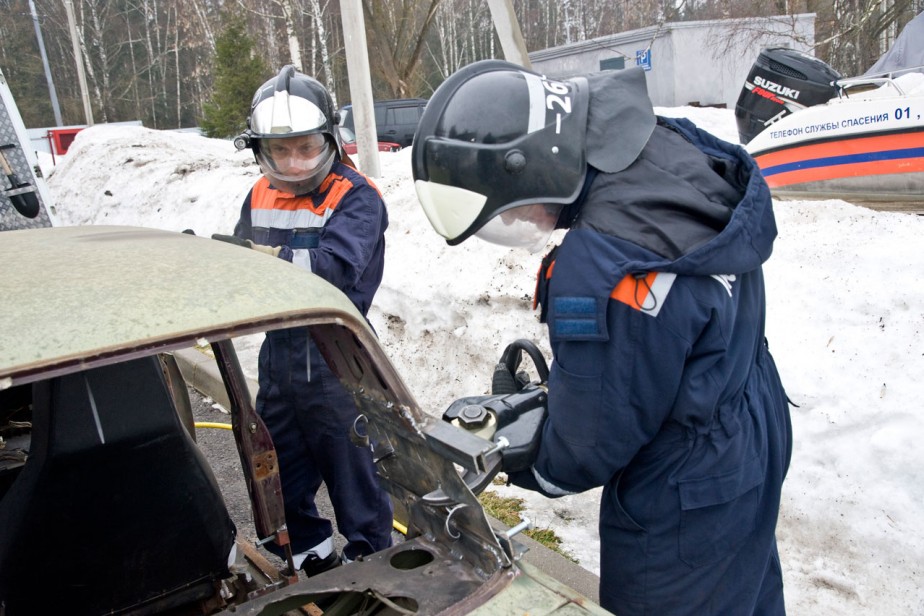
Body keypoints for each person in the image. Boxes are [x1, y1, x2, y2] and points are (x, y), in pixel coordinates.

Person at [411, 59, 793, 615]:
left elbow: (586, 448)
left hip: (685, 487)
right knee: (745, 591)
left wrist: (521, 455)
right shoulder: (661, 148)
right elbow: (659, 347)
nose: (520, 222)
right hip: (747, 416)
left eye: (513, 207)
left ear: (535, 164)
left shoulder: (605, 268)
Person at [223, 65, 393, 576]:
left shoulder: (356, 196)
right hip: (279, 360)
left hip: (336, 360)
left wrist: (257, 259)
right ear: (259, 150)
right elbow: (243, 268)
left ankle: (373, 568)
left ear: (330, 142)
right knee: (278, 472)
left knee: (354, 476)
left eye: (305, 148)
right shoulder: (258, 194)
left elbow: (334, 272)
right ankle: (307, 560)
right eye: (280, 151)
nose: (294, 164)